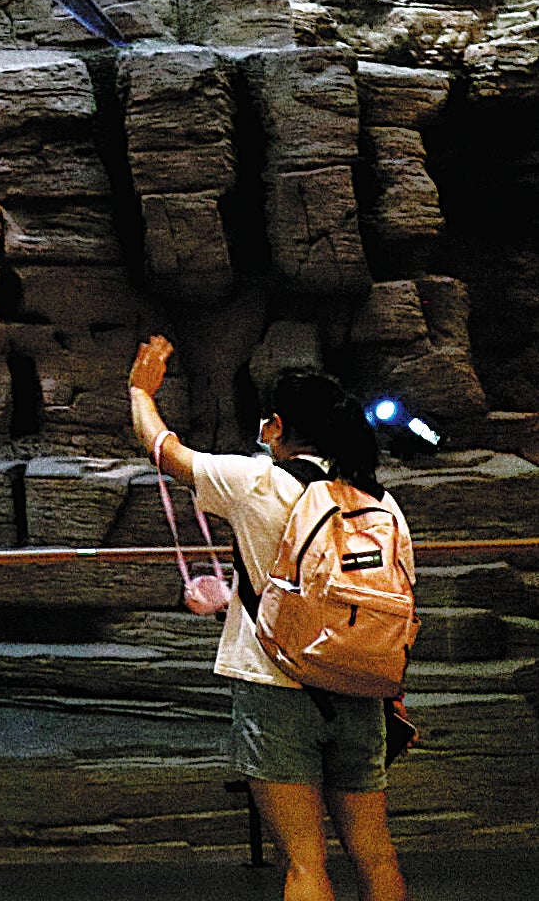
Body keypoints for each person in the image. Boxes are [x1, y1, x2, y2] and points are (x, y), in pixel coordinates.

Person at [131, 336, 409, 901]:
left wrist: (141, 390)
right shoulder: (381, 502)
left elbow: (163, 449)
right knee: (375, 851)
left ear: (277, 426)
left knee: (305, 863)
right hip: (363, 689)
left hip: (275, 688)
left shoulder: (255, 482)